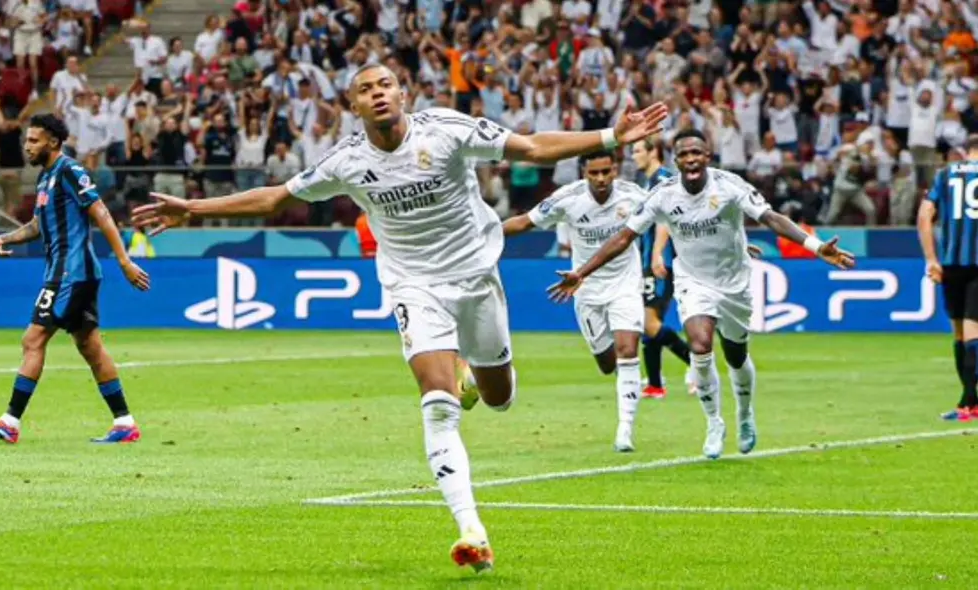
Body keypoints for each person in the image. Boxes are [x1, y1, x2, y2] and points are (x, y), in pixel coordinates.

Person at [131, 63, 668, 572]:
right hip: (414, 286)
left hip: (477, 277)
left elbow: (530, 147)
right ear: (355, 106)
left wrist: (610, 137)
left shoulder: (445, 130)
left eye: (385, 84)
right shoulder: (346, 160)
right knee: (437, 405)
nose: (378, 93)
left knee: (500, 398)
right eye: (366, 89)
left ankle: (472, 379)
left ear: (402, 94)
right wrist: (193, 208)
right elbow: (275, 197)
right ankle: (471, 530)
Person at [548, 129, 854, 460]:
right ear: (676, 160)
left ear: (708, 156)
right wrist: (582, 272)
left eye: (697, 152)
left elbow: (771, 218)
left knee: (736, 355)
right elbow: (623, 237)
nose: (691, 159)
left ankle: (745, 414)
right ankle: (714, 423)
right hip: (692, 281)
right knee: (700, 344)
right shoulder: (663, 194)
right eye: (684, 154)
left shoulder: (729, 185)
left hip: (733, 282)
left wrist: (815, 246)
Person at [0, 114, 150, 445]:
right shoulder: (46, 179)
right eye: (27, 140)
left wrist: (124, 260)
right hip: (67, 273)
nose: (27, 146)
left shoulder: (69, 170)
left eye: (34, 140)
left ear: (53, 142)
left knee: (33, 339)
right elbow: (37, 225)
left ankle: (10, 422)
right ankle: (124, 423)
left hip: (72, 273)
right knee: (90, 346)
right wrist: (6, 237)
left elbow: (101, 213)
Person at [502, 151, 649, 453]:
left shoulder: (633, 195)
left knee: (627, 349)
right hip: (586, 290)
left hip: (625, 284)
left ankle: (625, 429)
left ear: (615, 169)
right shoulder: (567, 198)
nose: (601, 179)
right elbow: (524, 222)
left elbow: (670, 216)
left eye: (606, 171)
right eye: (594, 173)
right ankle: (627, 381)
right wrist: (481, 234)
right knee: (607, 364)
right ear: (583, 172)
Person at [918, 134, 978, 422]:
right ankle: (970, 403)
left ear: (967, 151)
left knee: (959, 334)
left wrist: (931, 259)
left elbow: (924, 216)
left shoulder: (945, 174)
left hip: (951, 264)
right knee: (973, 333)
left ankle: (968, 402)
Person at [631, 138, 692, 399]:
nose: (633, 156)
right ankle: (655, 384)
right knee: (650, 323)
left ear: (653, 152)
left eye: (637, 151)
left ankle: (698, 363)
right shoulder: (646, 181)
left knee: (649, 323)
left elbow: (666, 220)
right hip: (648, 261)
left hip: (661, 261)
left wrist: (657, 254)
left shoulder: (664, 180)